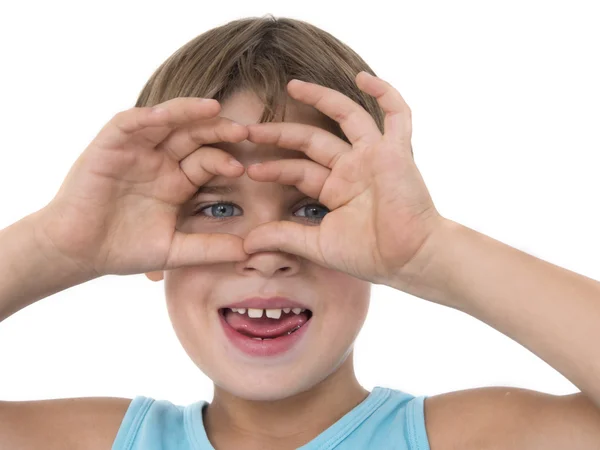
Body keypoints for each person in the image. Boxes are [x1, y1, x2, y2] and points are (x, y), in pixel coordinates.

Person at [1, 14, 599, 450]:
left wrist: (428, 251)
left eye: (311, 209)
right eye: (216, 209)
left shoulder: (468, 439)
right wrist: (57, 245)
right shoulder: (93, 442)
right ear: (150, 242)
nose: (267, 249)